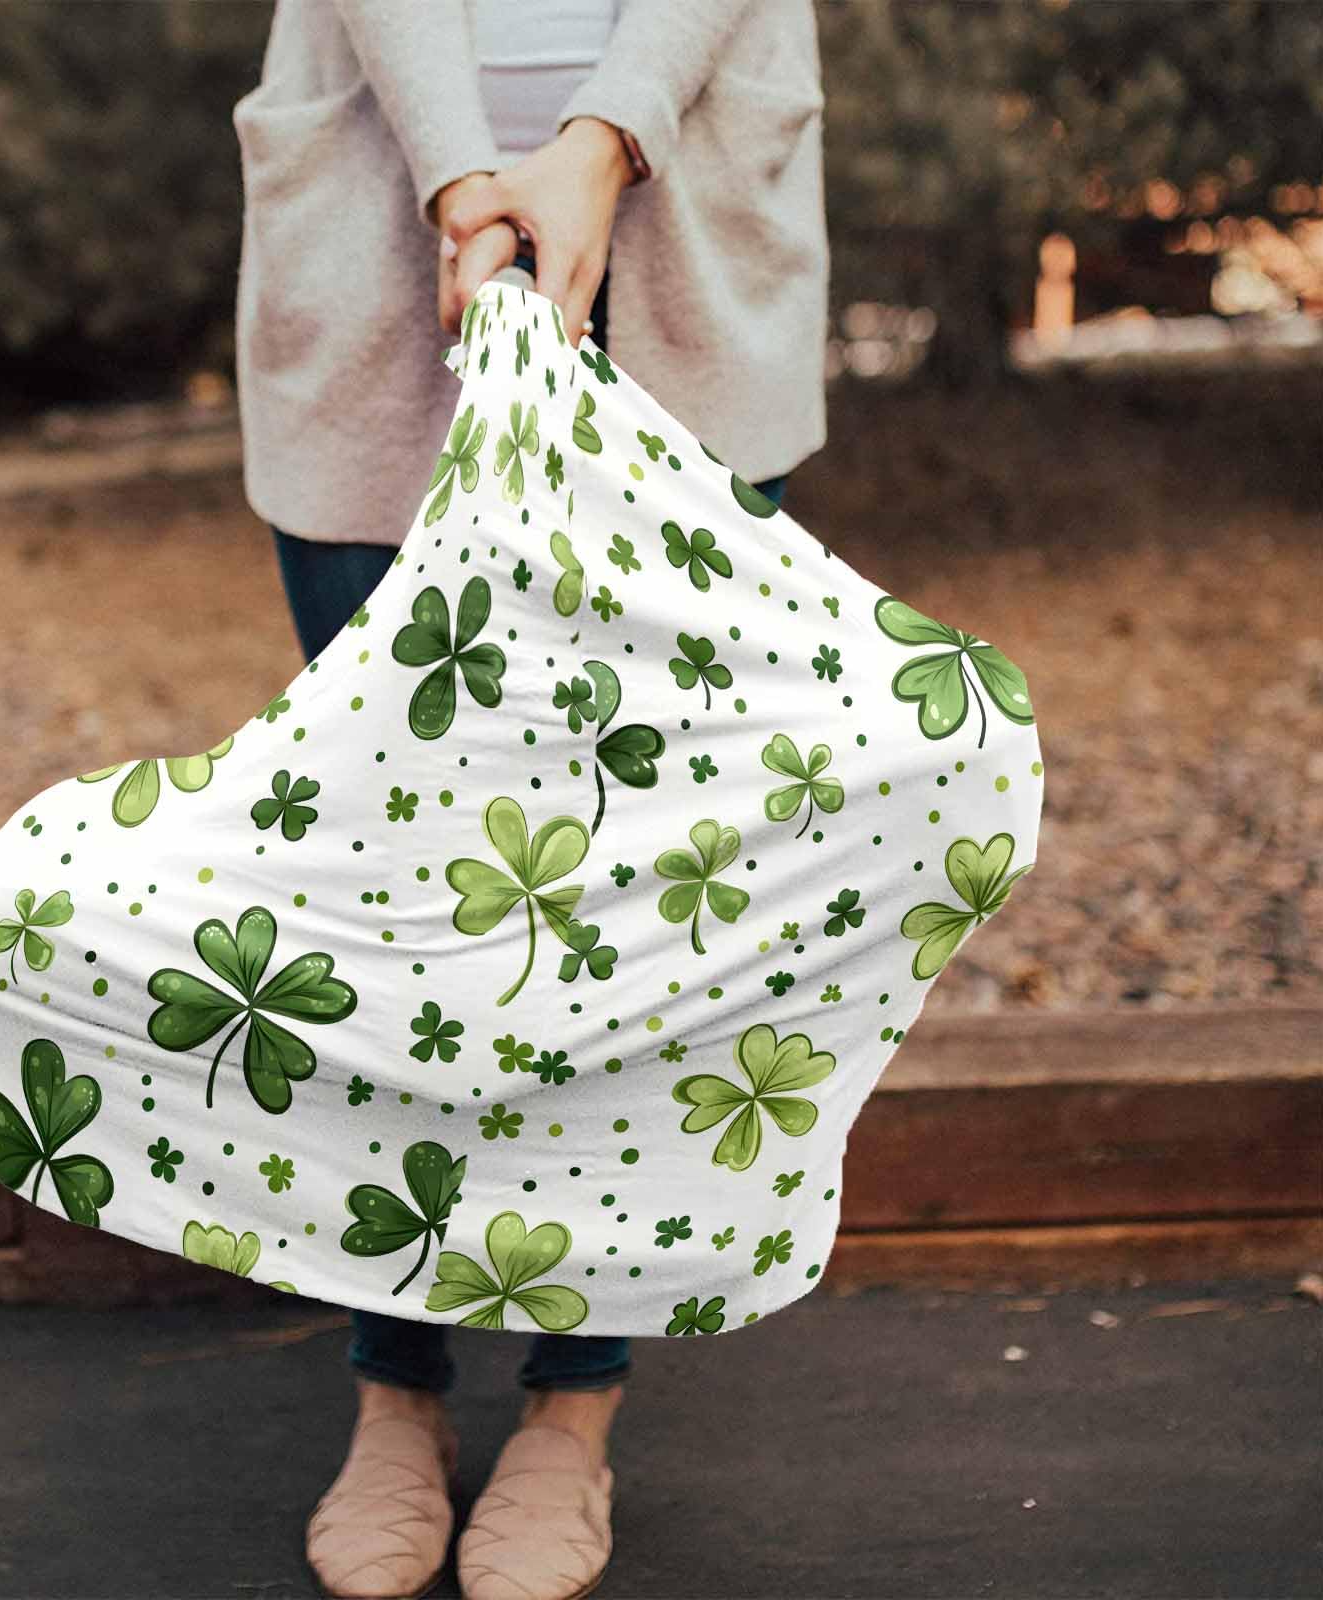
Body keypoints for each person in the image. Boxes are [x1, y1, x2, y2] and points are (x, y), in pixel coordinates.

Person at [230, 4, 829, 1595]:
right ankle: (396, 1388)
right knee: (390, 875)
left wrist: (602, 137)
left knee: (638, 886)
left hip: (684, 222)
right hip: (381, 224)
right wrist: (458, 177)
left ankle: (574, 1405)